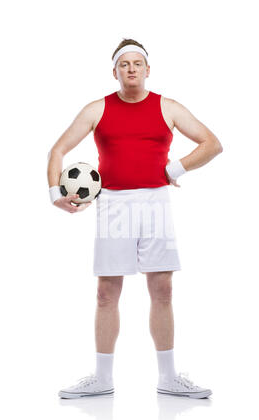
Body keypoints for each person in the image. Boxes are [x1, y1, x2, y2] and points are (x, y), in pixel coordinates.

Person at [47, 38, 223, 399]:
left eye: (137, 64)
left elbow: (211, 143)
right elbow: (58, 149)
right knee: (105, 293)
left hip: (155, 202)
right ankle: (102, 377)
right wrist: (55, 194)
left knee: (162, 289)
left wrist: (176, 167)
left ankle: (169, 377)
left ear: (147, 69)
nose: (131, 69)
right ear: (115, 71)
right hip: (112, 204)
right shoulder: (97, 109)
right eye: (124, 64)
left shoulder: (168, 107)